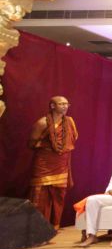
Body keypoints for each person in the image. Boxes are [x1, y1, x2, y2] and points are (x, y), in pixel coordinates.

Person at [27, 96, 78, 230]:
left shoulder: (70, 122)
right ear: (52, 106)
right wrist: (50, 147)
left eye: (67, 104)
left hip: (61, 164)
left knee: (58, 197)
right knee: (40, 197)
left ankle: (53, 227)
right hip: (44, 164)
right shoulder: (42, 123)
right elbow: (31, 143)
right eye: (61, 104)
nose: (65, 106)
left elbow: (71, 142)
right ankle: (37, 229)